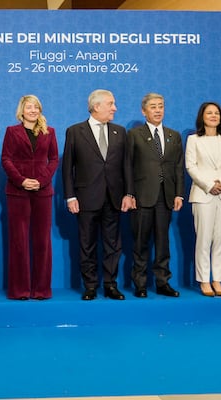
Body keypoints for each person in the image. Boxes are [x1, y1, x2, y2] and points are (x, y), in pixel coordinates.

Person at [62, 89, 134, 300]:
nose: (115, 108)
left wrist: (129, 193)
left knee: (113, 244)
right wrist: (70, 196)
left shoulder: (120, 132)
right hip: (86, 198)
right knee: (87, 244)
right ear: (96, 106)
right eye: (110, 104)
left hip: (114, 198)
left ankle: (111, 285)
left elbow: (126, 166)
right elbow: (68, 168)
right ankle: (90, 285)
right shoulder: (75, 131)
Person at [125, 93, 184, 298]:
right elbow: (128, 167)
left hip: (166, 196)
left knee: (163, 242)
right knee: (140, 241)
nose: (158, 110)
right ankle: (140, 284)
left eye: (161, 106)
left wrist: (179, 194)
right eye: (153, 107)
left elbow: (178, 167)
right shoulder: (134, 134)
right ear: (144, 111)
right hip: (142, 196)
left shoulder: (174, 135)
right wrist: (129, 193)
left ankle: (162, 282)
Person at [1, 95, 59, 300]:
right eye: (29, 107)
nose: (33, 110)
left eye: (36, 107)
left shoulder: (49, 132)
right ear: (22, 111)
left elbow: (53, 159)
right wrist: (22, 180)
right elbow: (6, 159)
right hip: (18, 192)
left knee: (42, 241)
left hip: (43, 192)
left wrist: (41, 180)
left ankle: (42, 290)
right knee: (19, 241)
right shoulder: (11, 131)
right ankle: (20, 290)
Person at [185, 102, 221, 297]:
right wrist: (209, 185)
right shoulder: (193, 140)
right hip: (202, 194)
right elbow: (191, 167)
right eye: (209, 113)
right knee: (204, 239)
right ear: (202, 117)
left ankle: (218, 280)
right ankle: (204, 280)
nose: (213, 116)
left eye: (216, 113)